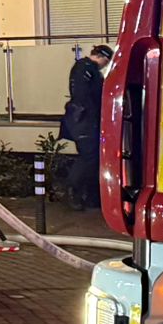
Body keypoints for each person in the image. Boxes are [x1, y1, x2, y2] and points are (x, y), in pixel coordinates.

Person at [61, 43, 112, 209]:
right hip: (84, 122)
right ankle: (72, 190)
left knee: (92, 158)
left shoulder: (87, 69)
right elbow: (86, 96)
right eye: (107, 61)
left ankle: (88, 196)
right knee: (88, 157)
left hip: (85, 121)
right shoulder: (85, 68)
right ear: (102, 57)